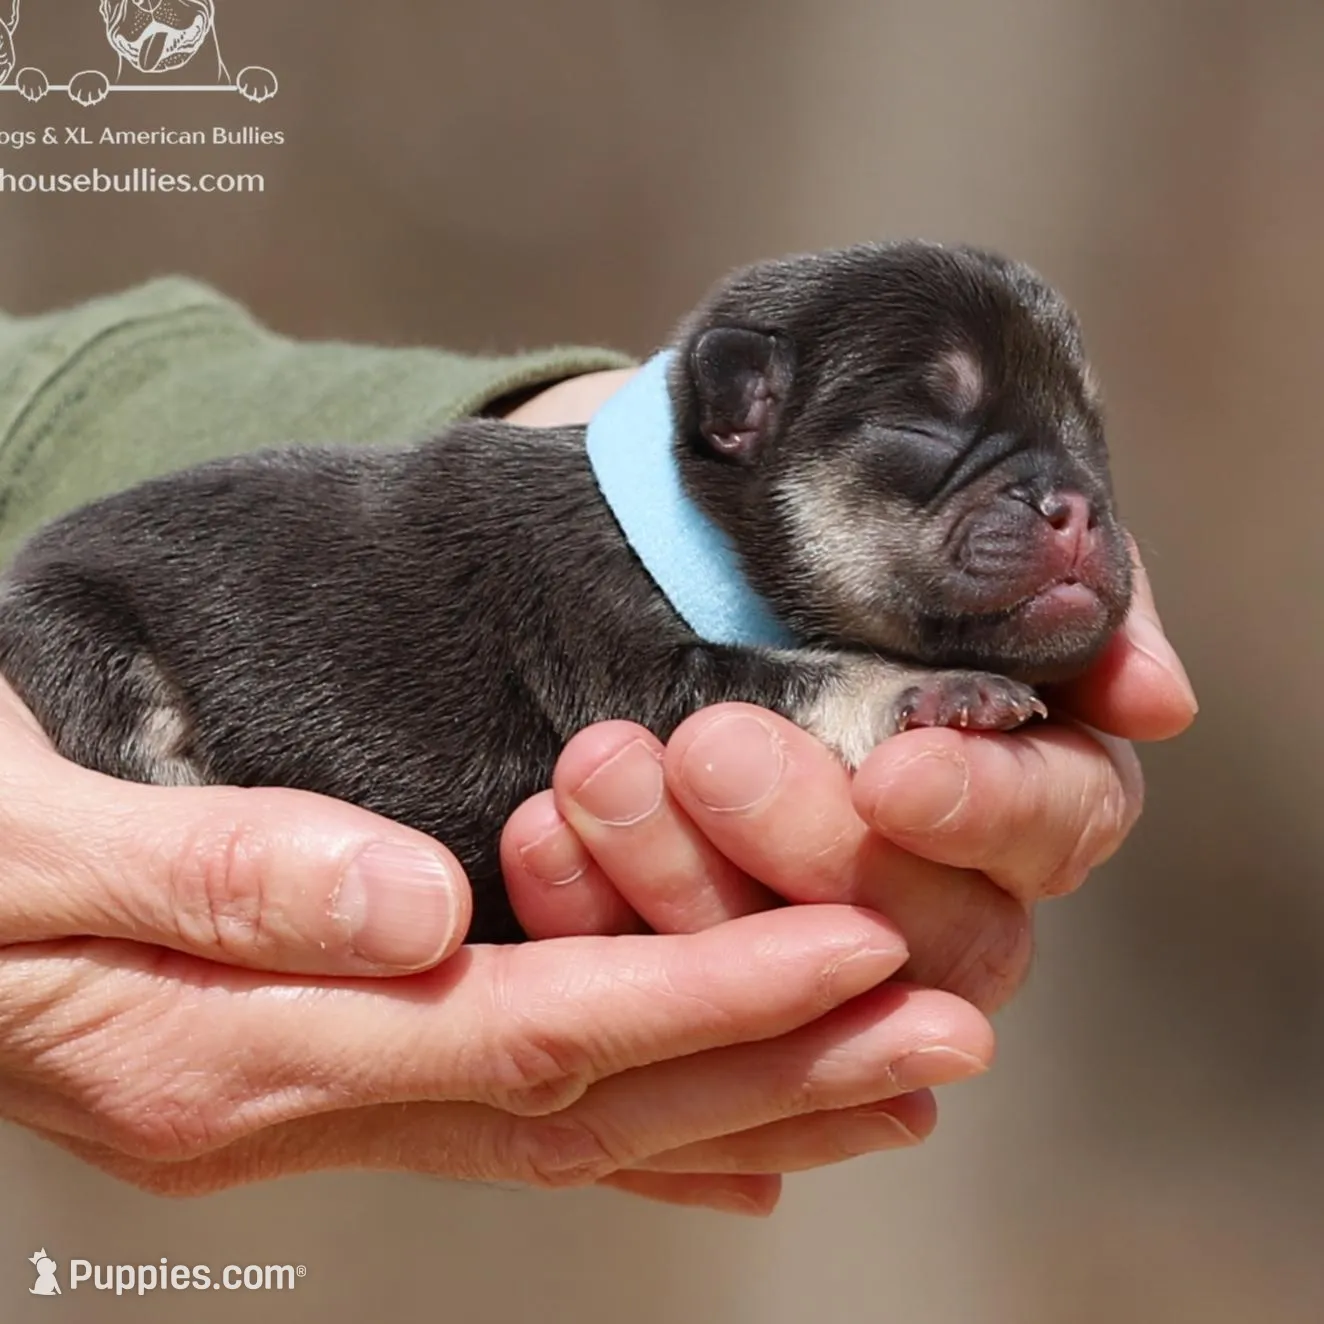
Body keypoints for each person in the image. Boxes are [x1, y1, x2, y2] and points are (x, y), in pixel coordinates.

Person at [0, 278, 1196, 1216]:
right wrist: (889, 699)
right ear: (744, 411)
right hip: (110, 628)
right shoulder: (562, 547)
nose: (1065, 498)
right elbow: (675, 697)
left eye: (1073, 437)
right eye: (932, 432)